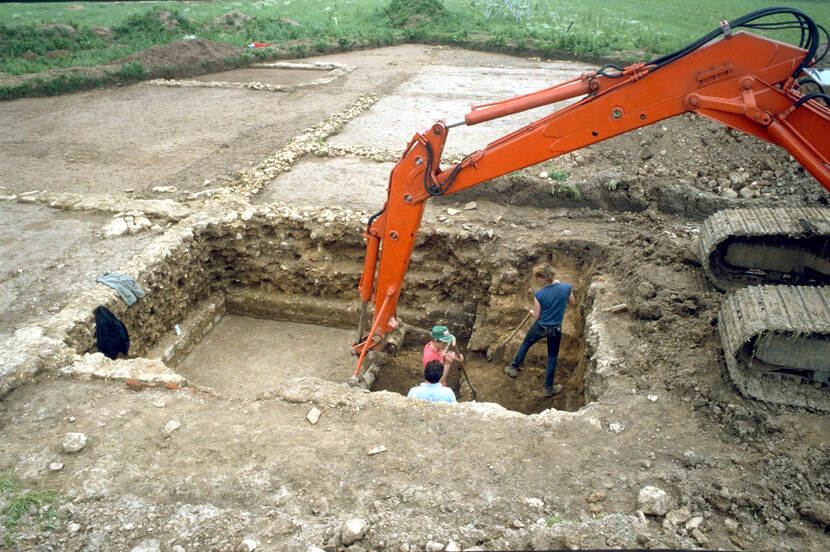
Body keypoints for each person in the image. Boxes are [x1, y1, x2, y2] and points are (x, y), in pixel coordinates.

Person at [504, 264, 576, 397]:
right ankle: (548, 388)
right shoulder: (566, 287)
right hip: (556, 329)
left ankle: (513, 367)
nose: (538, 281)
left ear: (543, 278)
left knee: (526, 344)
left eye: (538, 278)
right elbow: (572, 302)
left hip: (541, 327)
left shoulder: (539, 294)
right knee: (552, 356)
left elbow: (537, 315)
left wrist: (532, 312)